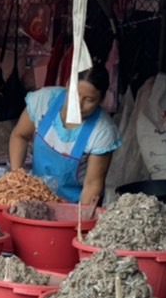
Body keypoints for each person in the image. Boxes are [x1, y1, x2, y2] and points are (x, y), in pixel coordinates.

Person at [8, 63, 119, 208]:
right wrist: (17, 177)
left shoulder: (102, 131)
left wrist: (79, 216)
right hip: (34, 197)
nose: (78, 104)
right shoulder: (44, 100)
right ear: (67, 84)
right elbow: (20, 135)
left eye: (89, 99)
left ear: (101, 100)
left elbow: (92, 185)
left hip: (73, 205)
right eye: (75, 94)